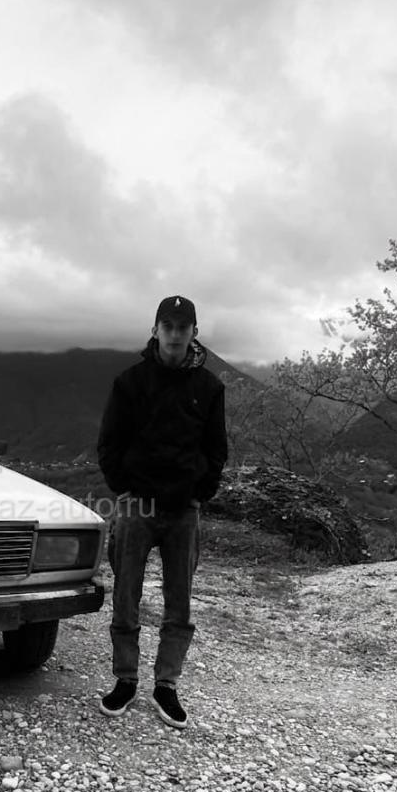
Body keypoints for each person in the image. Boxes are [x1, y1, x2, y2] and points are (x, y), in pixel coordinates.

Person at [97, 295, 228, 727]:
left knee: (180, 605)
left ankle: (166, 685)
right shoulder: (129, 382)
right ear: (154, 330)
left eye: (182, 327)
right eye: (167, 326)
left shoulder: (209, 388)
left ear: (194, 332)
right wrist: (125, 490)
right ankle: (125, 679)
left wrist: (200, 493)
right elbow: (109, 443)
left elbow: (216, 450)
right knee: (125, 597)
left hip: (184, 511)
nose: (174, 334)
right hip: (137, 506)